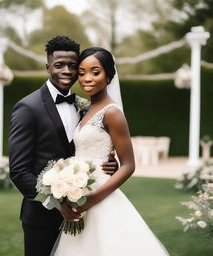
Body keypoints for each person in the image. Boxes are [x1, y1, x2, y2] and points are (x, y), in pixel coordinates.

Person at [53, 47, 170, 256]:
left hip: (100, 196)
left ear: (108, 75)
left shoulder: (112, 113)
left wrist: (93, 198)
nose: (87, 78)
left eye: (95, 72)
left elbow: (129, 165)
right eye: (81, 73)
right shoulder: (85, 110)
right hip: (78, 193)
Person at [9, 36, 117, 256]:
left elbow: (87, 149)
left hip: (85, 213)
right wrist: (58, 203)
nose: (67, 70)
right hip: (41, 217)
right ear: (48, 66)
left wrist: (108, 162)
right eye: (59, 65)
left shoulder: (85, 106)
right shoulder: (28, 108)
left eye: (73, 65)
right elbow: (19, 171)